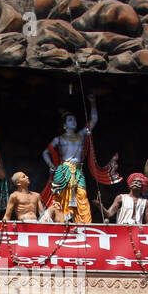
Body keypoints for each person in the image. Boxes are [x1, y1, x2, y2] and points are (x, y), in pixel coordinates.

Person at [42, 94, 98, 223]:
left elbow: (94, 120)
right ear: (64, 125)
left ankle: (83, 222)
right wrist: (51, 164)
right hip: (63, 169)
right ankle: (60, 220)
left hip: (78, 170)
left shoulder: (81, 135)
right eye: (70, 120)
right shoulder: (59, 139)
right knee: (58, 196)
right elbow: (45, 152)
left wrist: (93, 102)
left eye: (75, 120)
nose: (74, 122)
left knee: (82, 195)